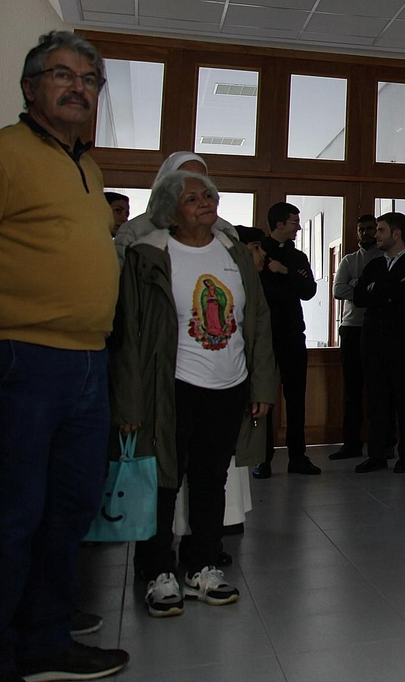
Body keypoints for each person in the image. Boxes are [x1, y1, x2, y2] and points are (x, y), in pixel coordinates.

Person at [0, 30, 131, 682]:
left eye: (88, 79)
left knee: (69, 511)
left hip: (86, 363)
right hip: (18, 360)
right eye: (61, 75)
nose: (77, 87)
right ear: (29, 88)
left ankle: (45, 642)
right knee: (8, 516)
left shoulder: (87, 168)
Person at [112, 171, 276, 618]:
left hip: (228, 386)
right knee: (163, 481)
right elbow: (128, 334)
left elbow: (257, 321)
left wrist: (261, 383)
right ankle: (157, 569)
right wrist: (128, 401)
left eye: (208, 195)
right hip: (171, 387)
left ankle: (202, 563)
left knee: (210, 478)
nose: (204, 202)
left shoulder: (236, 253)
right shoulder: (148, 255)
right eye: (191, 198)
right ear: (170, 209)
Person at [353, 212, 405, 473]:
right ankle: (376, 455)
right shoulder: (374, 264)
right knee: (375, 398)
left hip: (401, 338)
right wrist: (384, 291)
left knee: (404, 397)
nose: (376, 235)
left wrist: (378, 290)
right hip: (371, 338)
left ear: (396, 233)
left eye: (381, 230)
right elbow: (359, 296)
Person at [253, 201, 319, 478]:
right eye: (294, 221)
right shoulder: (258, 253)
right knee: (262, 396)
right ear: (279, 224)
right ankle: (262, 458)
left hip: (292, 334)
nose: (298, 227)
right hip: (264, 336)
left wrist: (285, 273)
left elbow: (309, 290)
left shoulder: (298, 257)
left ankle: (297, 456)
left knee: (296, 397)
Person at [114, 152, 239, 262]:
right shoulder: (134, 230)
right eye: (185, 176)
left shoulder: (225, 231)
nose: (194, 182)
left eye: (201, 177)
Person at [329, 214, 382, 461]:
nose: (366, 233)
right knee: (352, 389)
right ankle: (351, 443)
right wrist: (365, 287)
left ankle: (383, 443)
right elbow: (338, 290)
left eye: (370, 229)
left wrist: (358, 287)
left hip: (377, 327)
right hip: (351, 327)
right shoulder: (349, 259)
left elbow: (383, 290)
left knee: (379, 388)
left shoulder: (384, 259)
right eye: (361, 229)